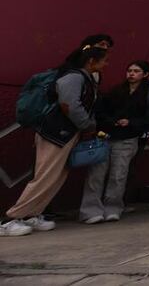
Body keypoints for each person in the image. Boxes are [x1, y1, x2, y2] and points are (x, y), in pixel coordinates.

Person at [2, 46, 108, 237]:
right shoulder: (74, 77)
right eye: (103, 60)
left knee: (56, 177)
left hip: (66, 133)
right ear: (91, 61)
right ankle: (10, 219)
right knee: (45, 176)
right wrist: (87, 124)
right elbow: (69, 105)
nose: (106, 64)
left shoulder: (85, 78)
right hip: (56, 133)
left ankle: (31, 214)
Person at [80, 60, 149, 223]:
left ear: (145, 74)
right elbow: (100, 110)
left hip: (127, 138)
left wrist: (131, 122)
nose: (131, 74)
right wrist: (111, 121)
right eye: (129, 70)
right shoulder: (116, 91)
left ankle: (112, 208)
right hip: (106, 135)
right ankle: (90, 210)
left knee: (118, 175)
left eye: (136, 71)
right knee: (96, 174)